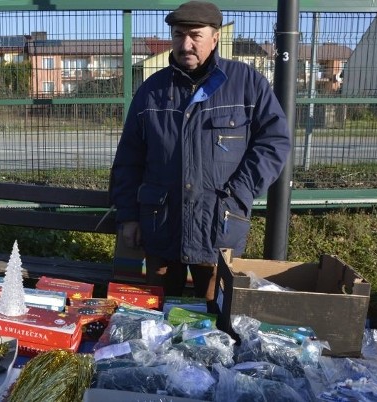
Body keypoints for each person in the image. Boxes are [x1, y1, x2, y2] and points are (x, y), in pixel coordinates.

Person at [109, 1, 291, 312]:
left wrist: (241, 190)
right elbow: (129, 157)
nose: (186, 44)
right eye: (178, 35)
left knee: (215, 315)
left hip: (217, 227)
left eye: (195, 35)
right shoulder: (152, 91)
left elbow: (274, 141)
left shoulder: (247, 84)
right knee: (157, 313)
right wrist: (128, 215)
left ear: (215, 37)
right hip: (161, 227)